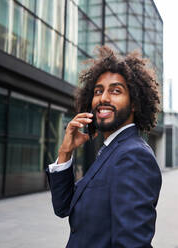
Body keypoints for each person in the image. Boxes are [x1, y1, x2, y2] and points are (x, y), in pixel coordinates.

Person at [46, 46, 162, 248]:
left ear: (134, 103)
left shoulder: (133, 156)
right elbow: (63, 207)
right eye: (98, 91)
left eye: (116, 91)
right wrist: (65, 152)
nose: (104, 98)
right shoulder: (111, 150)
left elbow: (132, 244)